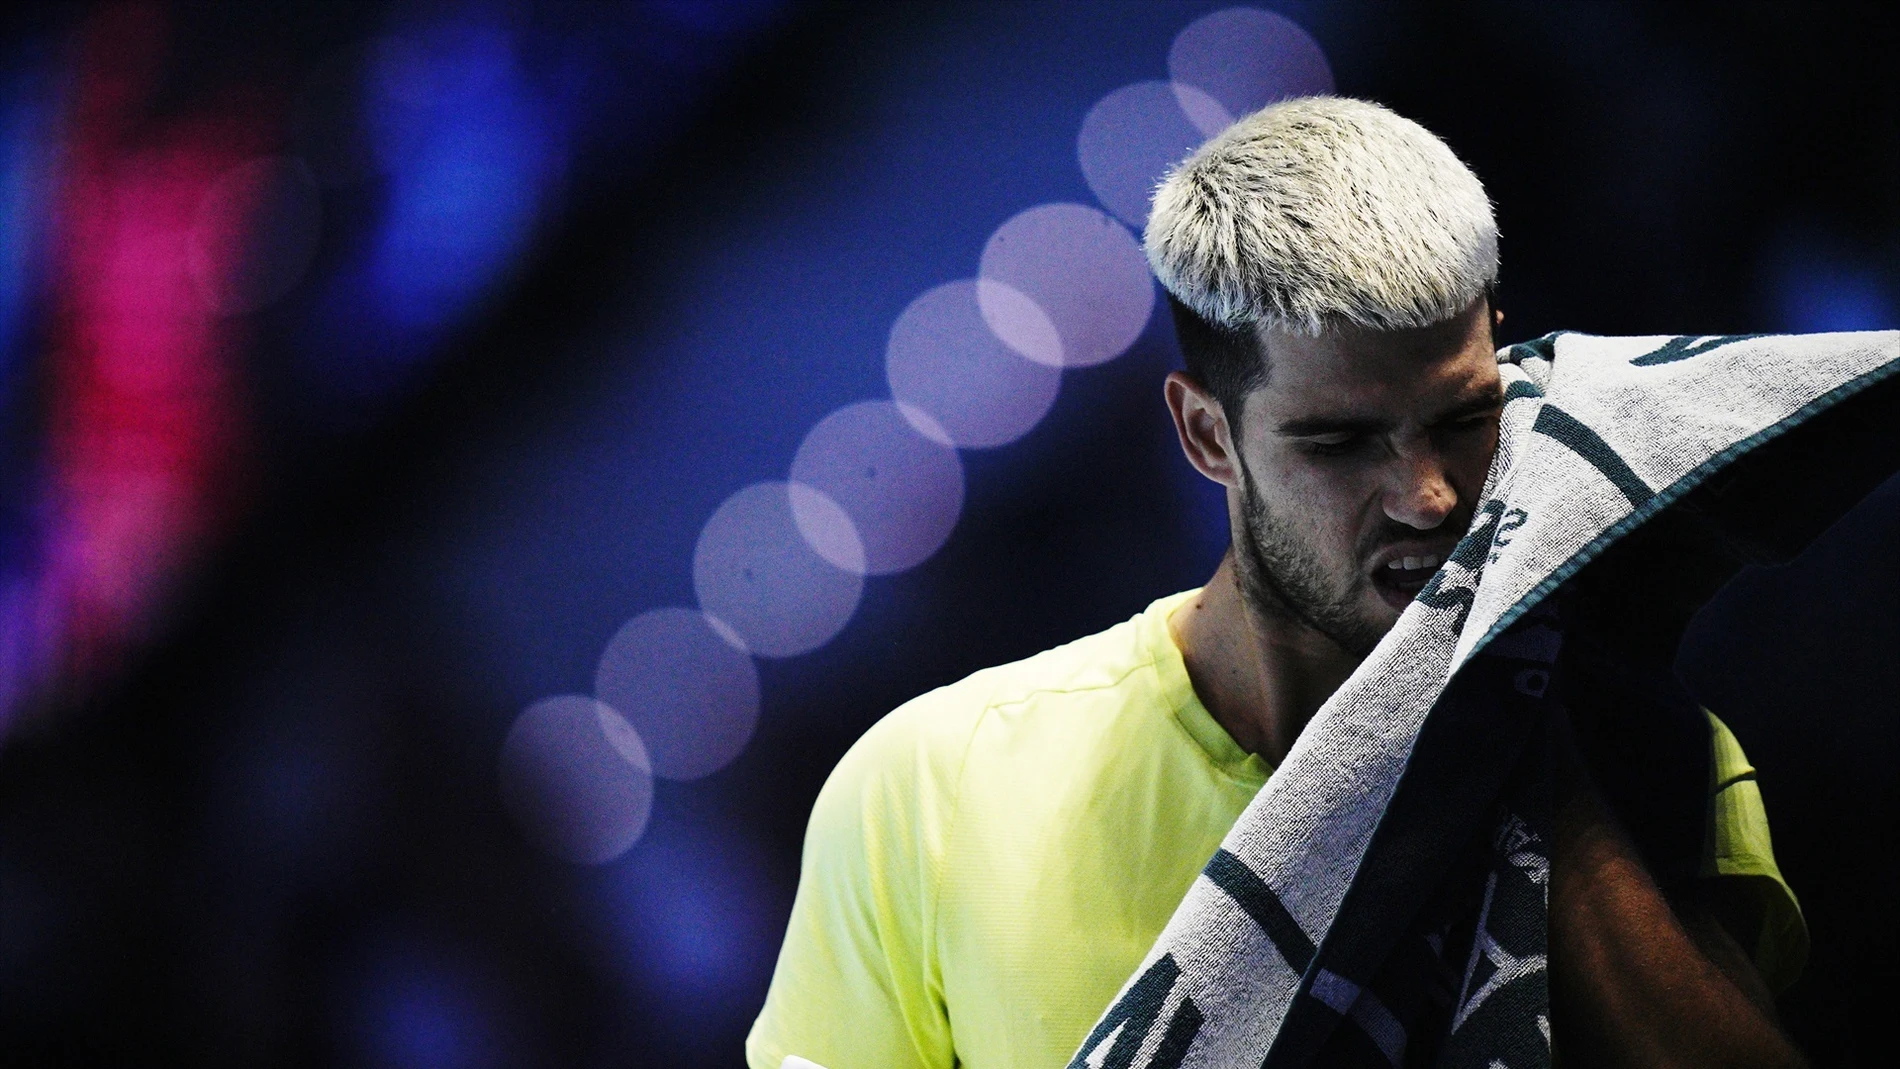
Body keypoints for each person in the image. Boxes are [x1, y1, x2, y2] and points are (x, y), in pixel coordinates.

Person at [746, 97, 1808, 1069]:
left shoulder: (1643, 744)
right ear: (1207, 434)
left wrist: (1526, 764)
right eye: (1342, 444)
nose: (1428, 496)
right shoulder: (932, 793)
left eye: (1462, 420)